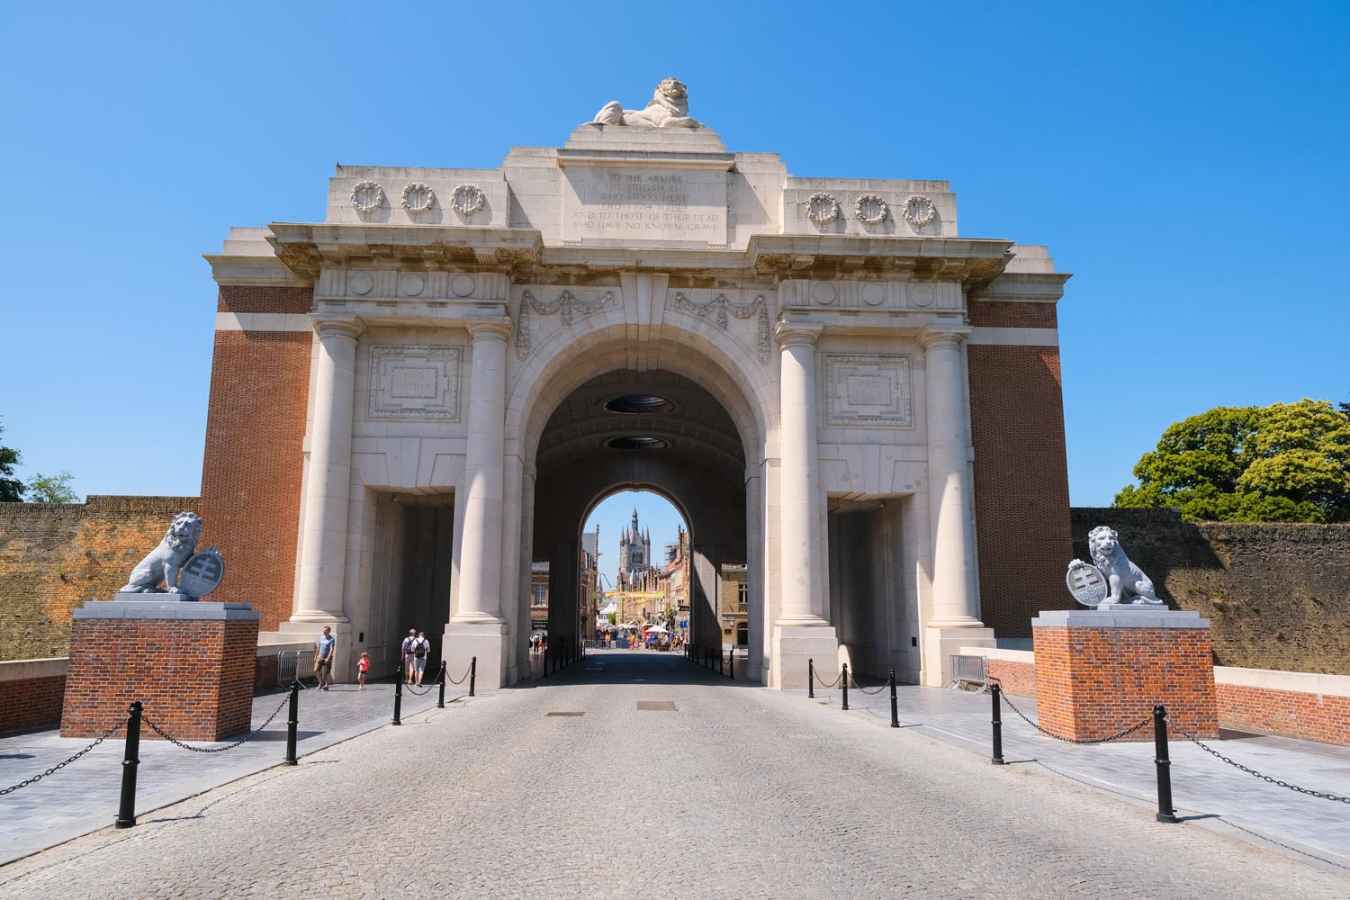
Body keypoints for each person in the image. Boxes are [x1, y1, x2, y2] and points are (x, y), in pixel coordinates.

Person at [314, 626, 335, 691]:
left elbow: (331, 649)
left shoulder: (332, 639)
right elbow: (318, 648)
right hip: (320, 657)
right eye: (323, 630)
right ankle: (321, 683)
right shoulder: (321, 638)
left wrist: (328, 658)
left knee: (326, 672)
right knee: (316, 670)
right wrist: (315, 656)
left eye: (325, 630)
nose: (323, 631)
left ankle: (326, 685)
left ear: (329, 631)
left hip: (327, 658)